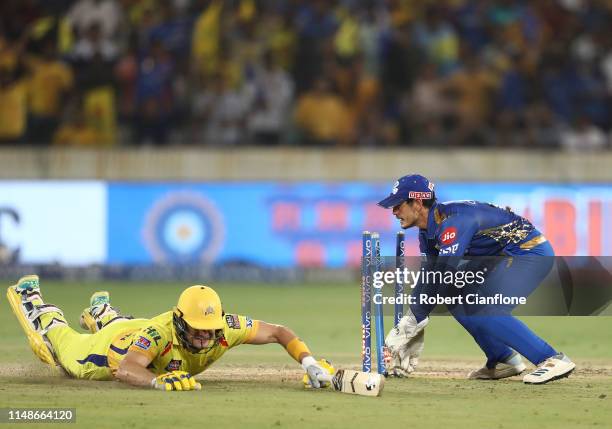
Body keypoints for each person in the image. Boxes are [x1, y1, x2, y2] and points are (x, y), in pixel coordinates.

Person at [378, 174, 575, 384]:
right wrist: (409, 322)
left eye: (398, 205)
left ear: (417, 203)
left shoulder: (453, 223)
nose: (394, 212)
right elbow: (430, 276)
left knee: (484, 308)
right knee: (455, 296)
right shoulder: (428, 230)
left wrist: (413, 321)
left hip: (528, 253)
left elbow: (444, 275)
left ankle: (552, 358)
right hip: (500, 258)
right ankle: (502, 358)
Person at [7, 275, 333, 391]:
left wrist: (309, 362)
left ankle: (103, 312)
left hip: (133, 330)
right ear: (180, 322)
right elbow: (125, 368)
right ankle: (35, 302)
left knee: (125, 324)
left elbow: (279, 332)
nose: (206, 338)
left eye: (210, 330)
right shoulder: (161, 333)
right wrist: (157, 381)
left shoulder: (224, 328)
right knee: (62, 353)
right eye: (198, 330)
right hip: (106, 351)